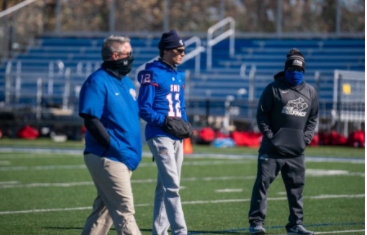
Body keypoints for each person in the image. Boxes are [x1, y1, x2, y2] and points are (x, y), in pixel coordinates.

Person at [248, 48, 318, 235]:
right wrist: (272, 137)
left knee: (297, 190)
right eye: (292, 70)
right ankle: (256, 223)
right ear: (286, 70)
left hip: (296, 151)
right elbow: (262, 115)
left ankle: (295, 225)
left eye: (299, 71)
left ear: (304, 71)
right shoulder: (273, 89)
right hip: (272, 151)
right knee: (262, 185)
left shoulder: (310, 92)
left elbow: (313, 118)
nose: (296, 74)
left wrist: (305, 139)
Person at [79, 35, 142, 235]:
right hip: (109, 156)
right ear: (115, 56)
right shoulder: (97, 81)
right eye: (128, 53)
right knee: (125, 211)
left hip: (123, 157)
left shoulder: (127, 83)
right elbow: (91, 119)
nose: (132, 57)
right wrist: (113, 146)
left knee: (103, 212)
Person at [137, 29, 193, 235]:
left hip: (176, 135)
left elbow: (181, 105)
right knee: (172, 186)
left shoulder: (178, 74)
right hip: (160, 134)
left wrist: (184, 125)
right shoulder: (152, 73)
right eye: (179, 50)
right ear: (166, 51)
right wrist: (165, 122)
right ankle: (180, 231)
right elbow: (144, 108)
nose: (182, 54)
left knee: (165, 187)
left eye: (184, 50)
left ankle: (159, 232)